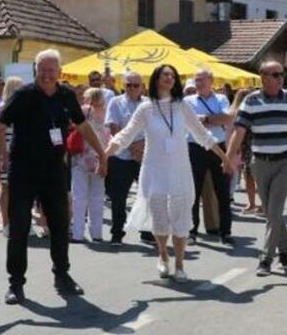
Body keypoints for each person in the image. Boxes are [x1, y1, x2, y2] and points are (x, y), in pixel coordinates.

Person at [0, 49, 108, 304]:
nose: (47, 74)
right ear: (35, 71)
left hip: (54, 169)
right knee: (19, 227)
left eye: (52, 70)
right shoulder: (23, 95)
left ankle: (62, 275)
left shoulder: (65, 95)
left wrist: (101, 153)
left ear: (60, 72)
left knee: (60, 225)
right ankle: (16, 283)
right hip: (23, 170)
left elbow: (83, 125)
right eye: (42, 70)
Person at [105, 65, 229, 282]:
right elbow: (125, 135)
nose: (170, 78)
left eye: (173, 75)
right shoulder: (145, 108)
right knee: (160, 217)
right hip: (154, 169)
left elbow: (203, 135)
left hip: (180, 168)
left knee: (181, 217)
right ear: (156, 80)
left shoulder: (182, 107)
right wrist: (104, 155)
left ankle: (180, 263)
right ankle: (163, 254)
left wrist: (225, 156)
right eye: (165, 75)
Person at [226, 60, 287, 276]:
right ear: (263, 77)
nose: (280, 78)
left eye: (281, 74)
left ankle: (266, 259)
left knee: (274, 210)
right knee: (271, 212)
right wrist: (228, 158)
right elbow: (239, 132)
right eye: (275, 74)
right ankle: (285, 250)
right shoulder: (250, 100)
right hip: (259, 162)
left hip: (285, 161)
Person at [185, 67, 235, 246]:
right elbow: (188, 122)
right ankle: (191, 231)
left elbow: (227, 119)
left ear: (211, 81)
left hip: (217, 148)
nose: (199, 83)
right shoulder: (188, 100)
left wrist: (203, 119)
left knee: (222, 191)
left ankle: (226, 232)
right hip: (194, 147)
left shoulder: (221, 98)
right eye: (196, 80)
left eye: (202, 79)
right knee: (193, 192)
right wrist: (213, 118)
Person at [104, 71, 146, 247]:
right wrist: (131, 146)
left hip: (144, 155)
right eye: (129, 85)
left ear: (142, 86)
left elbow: (154, 129)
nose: (132, 88)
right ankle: (117, 233)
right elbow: (114, 128)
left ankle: (148, 231)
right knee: (118, 198)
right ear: (124, 85)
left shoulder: (149, 104)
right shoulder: (115, 102)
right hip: (121, 155)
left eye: (136, 85)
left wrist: (142, 145)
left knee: (147, 196)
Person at [71, 88, 111, 243]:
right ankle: (97, 233)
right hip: (100, 157)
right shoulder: (106, 113)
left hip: (81, 156)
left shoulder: (84, 110)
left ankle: (78, 234)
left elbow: (73, 126)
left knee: (79, 197)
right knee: (97, 197)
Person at [0, 77, 25, 236]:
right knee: (7, 188)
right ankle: (6, 223)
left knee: (20, 189)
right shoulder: (4, 106)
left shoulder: (19, 105)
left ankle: (17, 223)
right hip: (8, 150)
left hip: (20, 150)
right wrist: (4, 156)